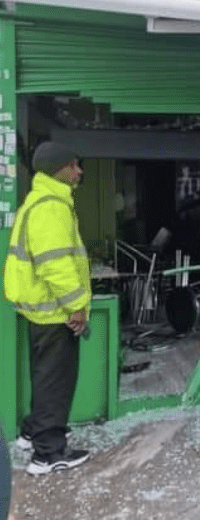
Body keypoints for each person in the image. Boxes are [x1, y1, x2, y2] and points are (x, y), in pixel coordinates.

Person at [3, 141, 91, 475]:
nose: (79, 170)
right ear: (60, 168)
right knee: (55, 381)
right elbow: (55, 265)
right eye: (74, 164)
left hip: (45, 310)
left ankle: (31, 432)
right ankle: (48, 454)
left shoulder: (41, 201)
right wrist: (76, 307)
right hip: (56, 311)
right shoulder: (51, 206)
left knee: (46, 376)